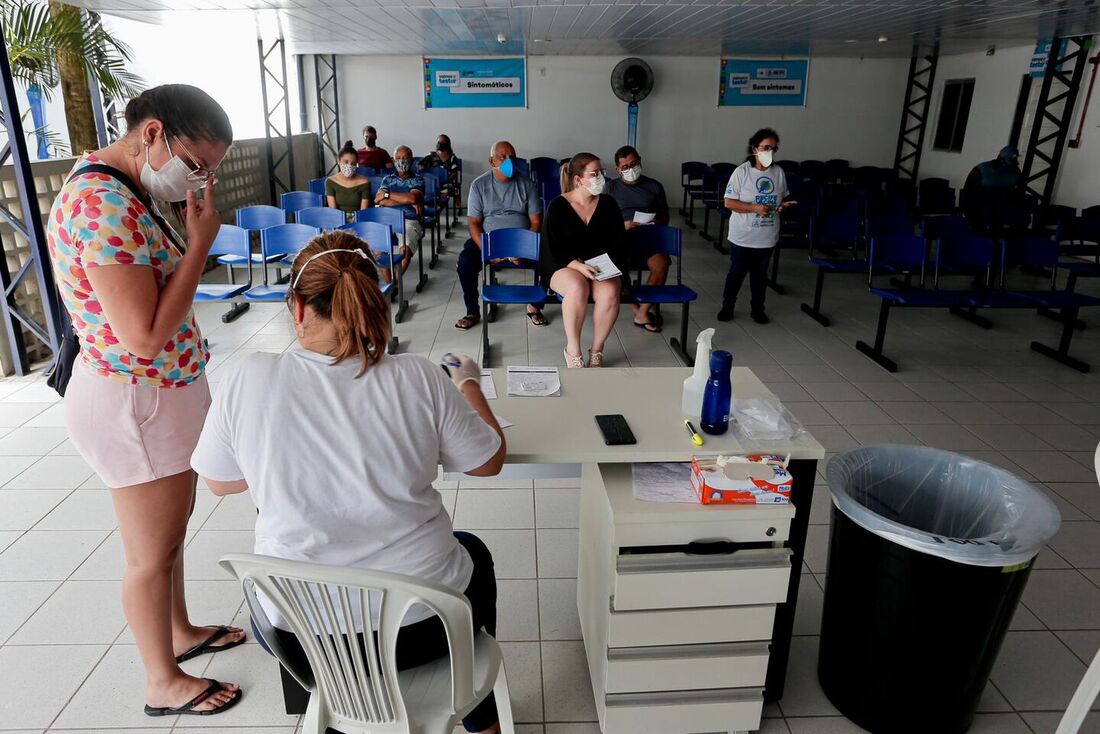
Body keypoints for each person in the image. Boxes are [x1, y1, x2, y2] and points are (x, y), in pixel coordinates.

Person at [190, 233, 506, 734]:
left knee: (270, 598)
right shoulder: (418, 377)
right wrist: (468, 384)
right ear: (373, 297)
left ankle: (341, 709)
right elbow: (488, 462)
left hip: (307, 641)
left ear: (297, 306)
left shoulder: (248, 376)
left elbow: (219, 482)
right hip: (424, 629)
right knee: (474, 553)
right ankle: (478, 715)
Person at [45, 84, 244, 717]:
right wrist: (201, 244)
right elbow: (145, 335)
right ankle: (162, 680)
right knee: (148, 555)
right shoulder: (103, 205)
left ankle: (181, 634)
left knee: (170, 535)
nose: (200, 180)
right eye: (197, 164)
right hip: (135, 401)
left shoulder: (120, 186)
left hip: (158, 396)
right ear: (152, 133)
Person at [542, 153, 627, 368]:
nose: (601, 178)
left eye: (602, 173)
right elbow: (552, 248)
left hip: (598, 266)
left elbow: (618, 242)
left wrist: (603, 266)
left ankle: (597, 351)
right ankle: (573, 350)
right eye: (594, 174)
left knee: (610, 292)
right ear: (579, 179)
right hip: (564, 265)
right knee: (577, 287)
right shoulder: (558, 206)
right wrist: (578, 265)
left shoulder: (608, 204)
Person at [454, 141, 546, 331]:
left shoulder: (527, 185)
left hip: (522, 241)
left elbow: (536, 221)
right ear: (491, 161)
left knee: (551, 258)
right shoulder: (479, 185)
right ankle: (472, 310)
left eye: (511, 157)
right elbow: (474, 223)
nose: (508, 161)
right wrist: (487, 251)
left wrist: (525, 247)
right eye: (502, 157)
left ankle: (535, 306)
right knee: (465, 262)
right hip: (488, 242)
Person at [717, 128, 795, 325]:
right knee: (737, 272)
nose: (770, 152)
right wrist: (753, 207)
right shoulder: (742, 172)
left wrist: (782, 207)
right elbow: (729, 202)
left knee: (760, 276)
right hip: (743, 235)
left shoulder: (778, 172)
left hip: (766, 235)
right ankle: (728, 306)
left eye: (773, 148)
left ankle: (757, 309)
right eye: (766, 147)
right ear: (755, 149)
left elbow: (781, 199)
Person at [605, 145, 670, 333]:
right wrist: (622, 225)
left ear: (640, 161)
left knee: (662, 264)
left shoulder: (654, 186)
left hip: (648, 237)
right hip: (620, 239)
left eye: (633, 164)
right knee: (615, 270)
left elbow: (665, 216)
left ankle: (643, 312)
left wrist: (654, 222)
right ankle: (637, 310)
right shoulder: (611, 188)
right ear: (618, 169)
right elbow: (602, 220)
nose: (630, 169)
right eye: (625, 167)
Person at [375, 146, 424, 275]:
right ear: (393, 160)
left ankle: (397, 281)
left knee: (405, 249)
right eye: (398, 158)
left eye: (405, 158)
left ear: (412, 160)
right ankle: (389, 282)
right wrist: (406, 200)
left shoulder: (417, 179)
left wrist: (387, 195)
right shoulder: (387, 179)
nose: (401, 161)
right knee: (377, 247)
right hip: (386, 218)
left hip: (408, 220)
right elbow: (378, 200)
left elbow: (412, 197)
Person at [963, 146, 1022, 229]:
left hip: (1002, 205)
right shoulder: (981, 170)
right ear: (1001, 160)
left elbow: (1017, 192)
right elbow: (968, 192)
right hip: (981, 205)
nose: (1011, 166)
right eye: (1009, 162)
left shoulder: (1015, 172)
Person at [325, 140, 372, 216]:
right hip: (338, 221)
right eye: (346, 162)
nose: (349, 166)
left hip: (358, 220)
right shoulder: (330, 182)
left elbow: (363, 212)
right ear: (338, 161)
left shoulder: (364, 182)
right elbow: (333, 211)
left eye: (353, 163)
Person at [418, 133, 460, 198]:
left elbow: (454, 173)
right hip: (432, 183)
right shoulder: (431, 155)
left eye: (442, 142)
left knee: (446, 191)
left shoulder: (452, 158)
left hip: (446, 184)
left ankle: (439, 205)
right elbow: (421, 165)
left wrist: (444, 180)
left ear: (447, 144)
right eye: (438, 142)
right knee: (424, 190)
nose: (440, 144)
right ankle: (432, 204)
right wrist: (423, 170)